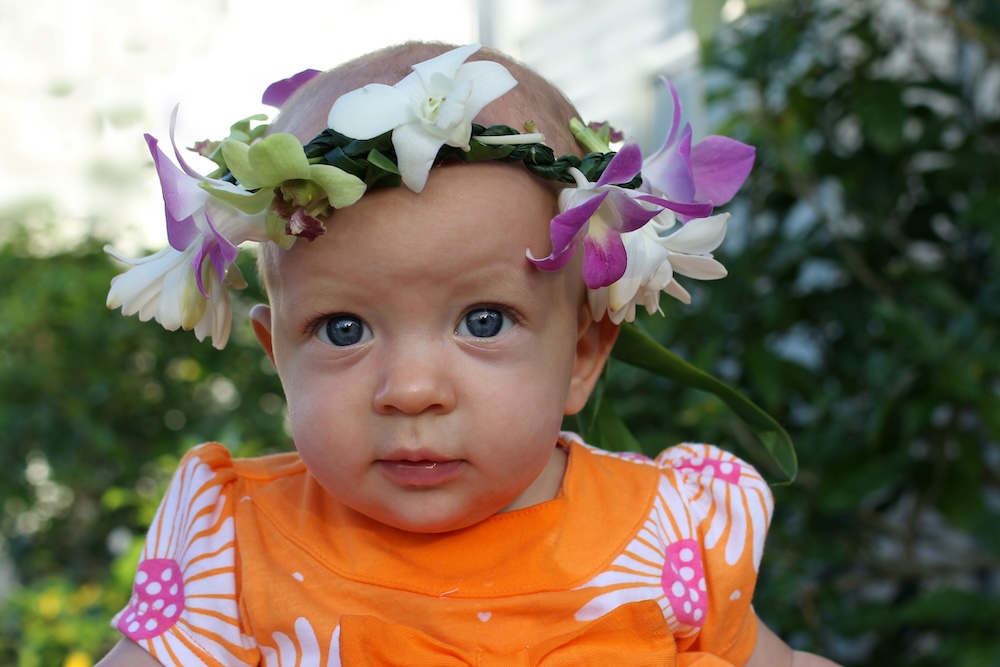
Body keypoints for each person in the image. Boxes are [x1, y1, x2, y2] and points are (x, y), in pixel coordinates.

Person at [97, 42, 841, 666]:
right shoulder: (232, 547)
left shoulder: (670, 530)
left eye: (484, 320)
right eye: (343, 329)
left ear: (582, 354)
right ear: (277, 355)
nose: (412, 389)